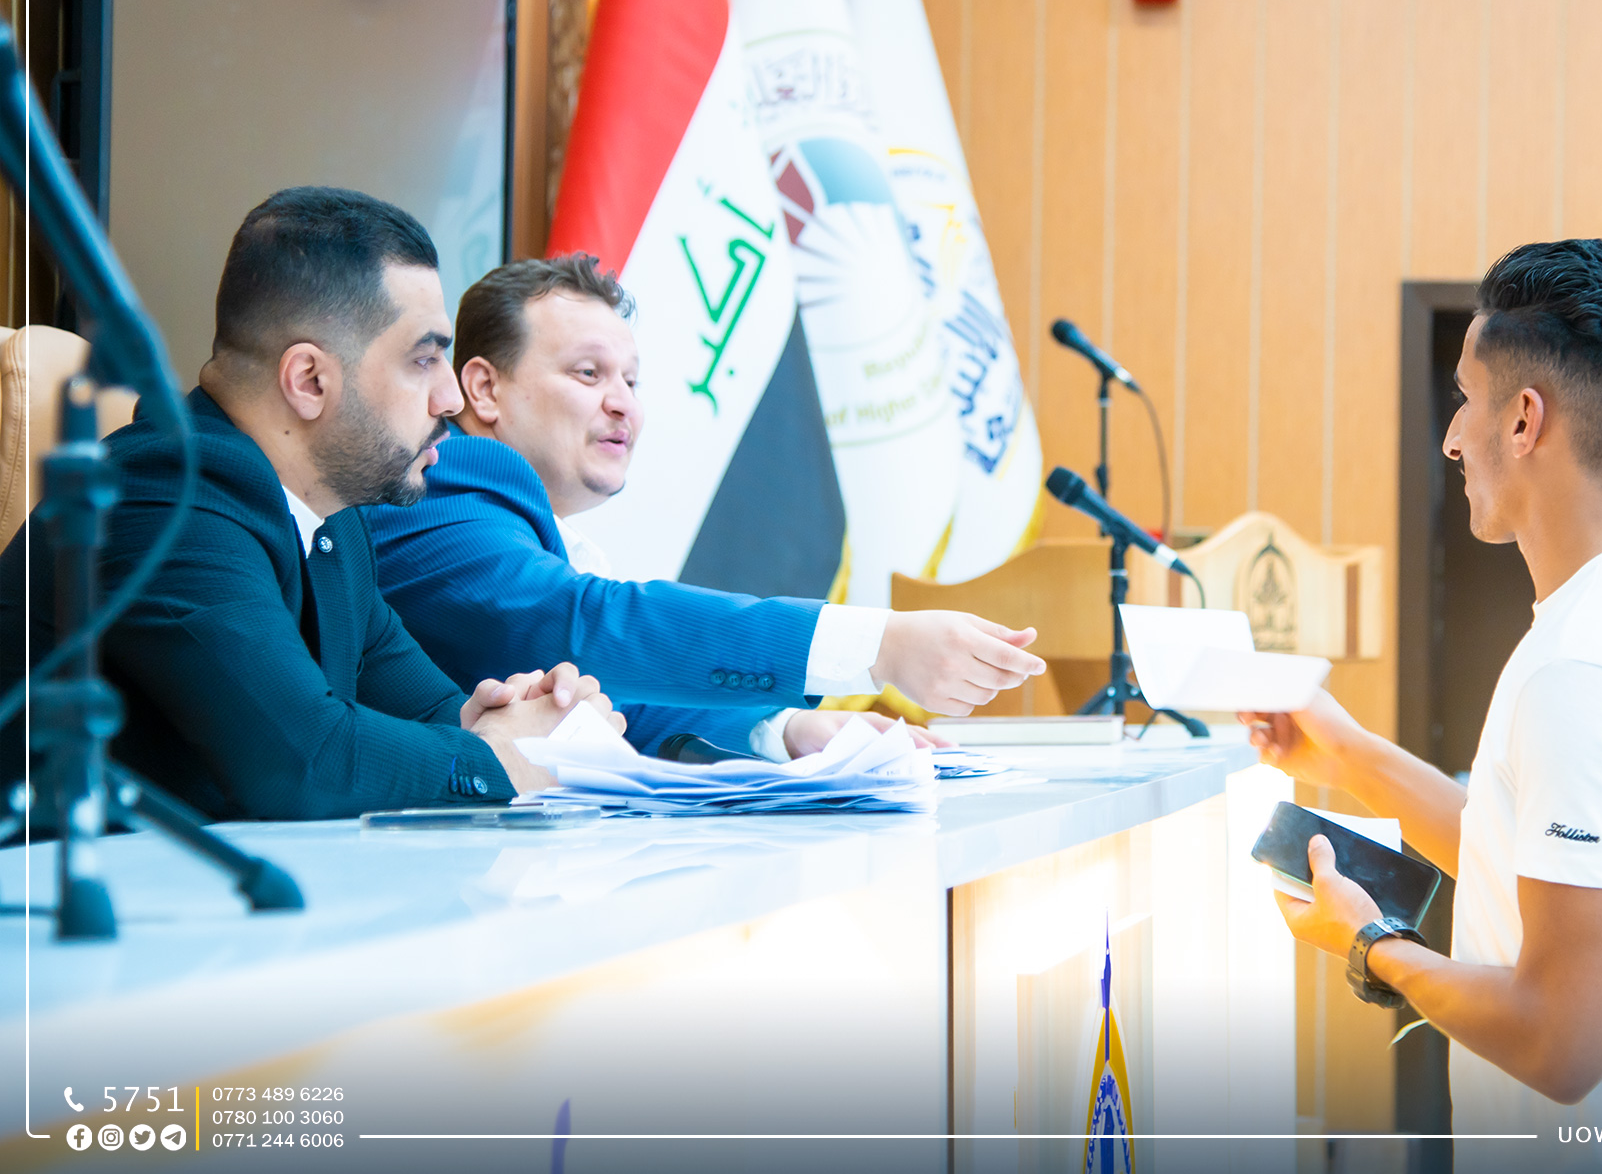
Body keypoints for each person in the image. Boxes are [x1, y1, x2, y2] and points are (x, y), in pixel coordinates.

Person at [1243, 240, 1602, 1171]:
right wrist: (1346, 753)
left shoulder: (1584, 669)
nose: (1451, 438)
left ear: (1523, 420)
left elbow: (1560, 1042)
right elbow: (1531, 858)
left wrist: (1371, 945)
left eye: (1465, 400)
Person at [1, 187, 609, 821]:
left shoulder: (332, 524)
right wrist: (507, 760)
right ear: (309, 380)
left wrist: (531, 722)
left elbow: (433, 716)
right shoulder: (166, 494)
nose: (450, 398)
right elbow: (304, 764)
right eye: (424, 359)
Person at [365, 255, 1048, 763]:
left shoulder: (526, 523)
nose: (623, 404)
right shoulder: (433, 482)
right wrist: (878, 644)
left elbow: (617, 698)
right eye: (588, 373)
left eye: (632, 380)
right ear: (484, 389)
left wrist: (786, 730)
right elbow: (579, 624)